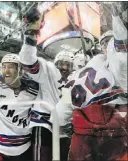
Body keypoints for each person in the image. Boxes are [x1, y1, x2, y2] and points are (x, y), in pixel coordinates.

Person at [55, 3, 128, 160]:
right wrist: (118, 20)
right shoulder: (117, 69)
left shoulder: (76, 76)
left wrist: (70, 129)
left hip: (82, 142)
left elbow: (60, 113)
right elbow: (122, 58)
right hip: (115, 138)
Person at [19, 8, 74, 161]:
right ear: (55, 64)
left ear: (73, 67)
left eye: (68, 64)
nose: (63, 67)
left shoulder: (74, 81)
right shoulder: (48, 69)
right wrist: (30, 36)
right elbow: (27, 60)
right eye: (61, 63)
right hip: (43, 124)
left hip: (63, 128)